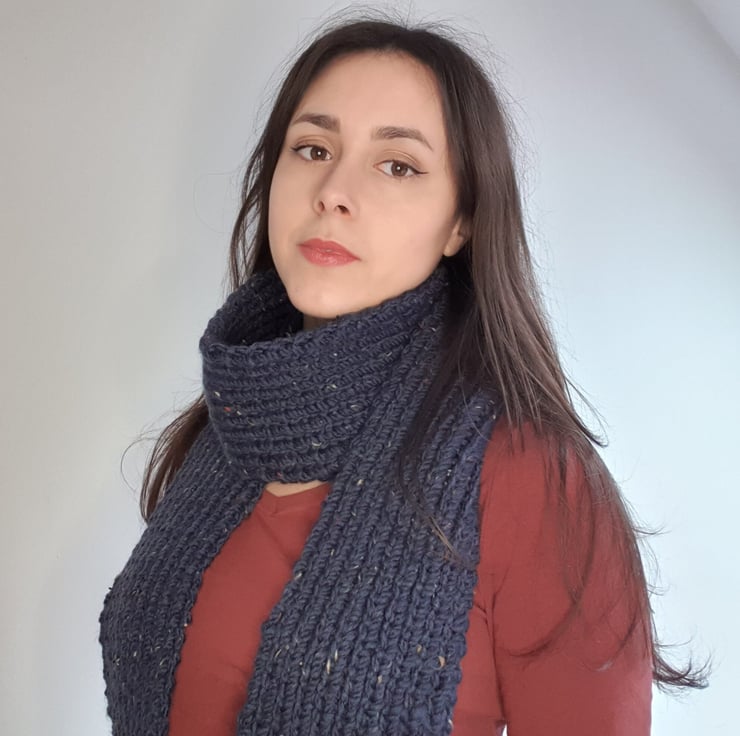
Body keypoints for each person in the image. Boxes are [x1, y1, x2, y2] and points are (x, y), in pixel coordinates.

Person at [99, 14, 709, 736]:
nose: (334, 191)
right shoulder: (228, 427)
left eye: (398, 166)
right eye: (313, 149)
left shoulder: (537, 482)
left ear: (460, 223)